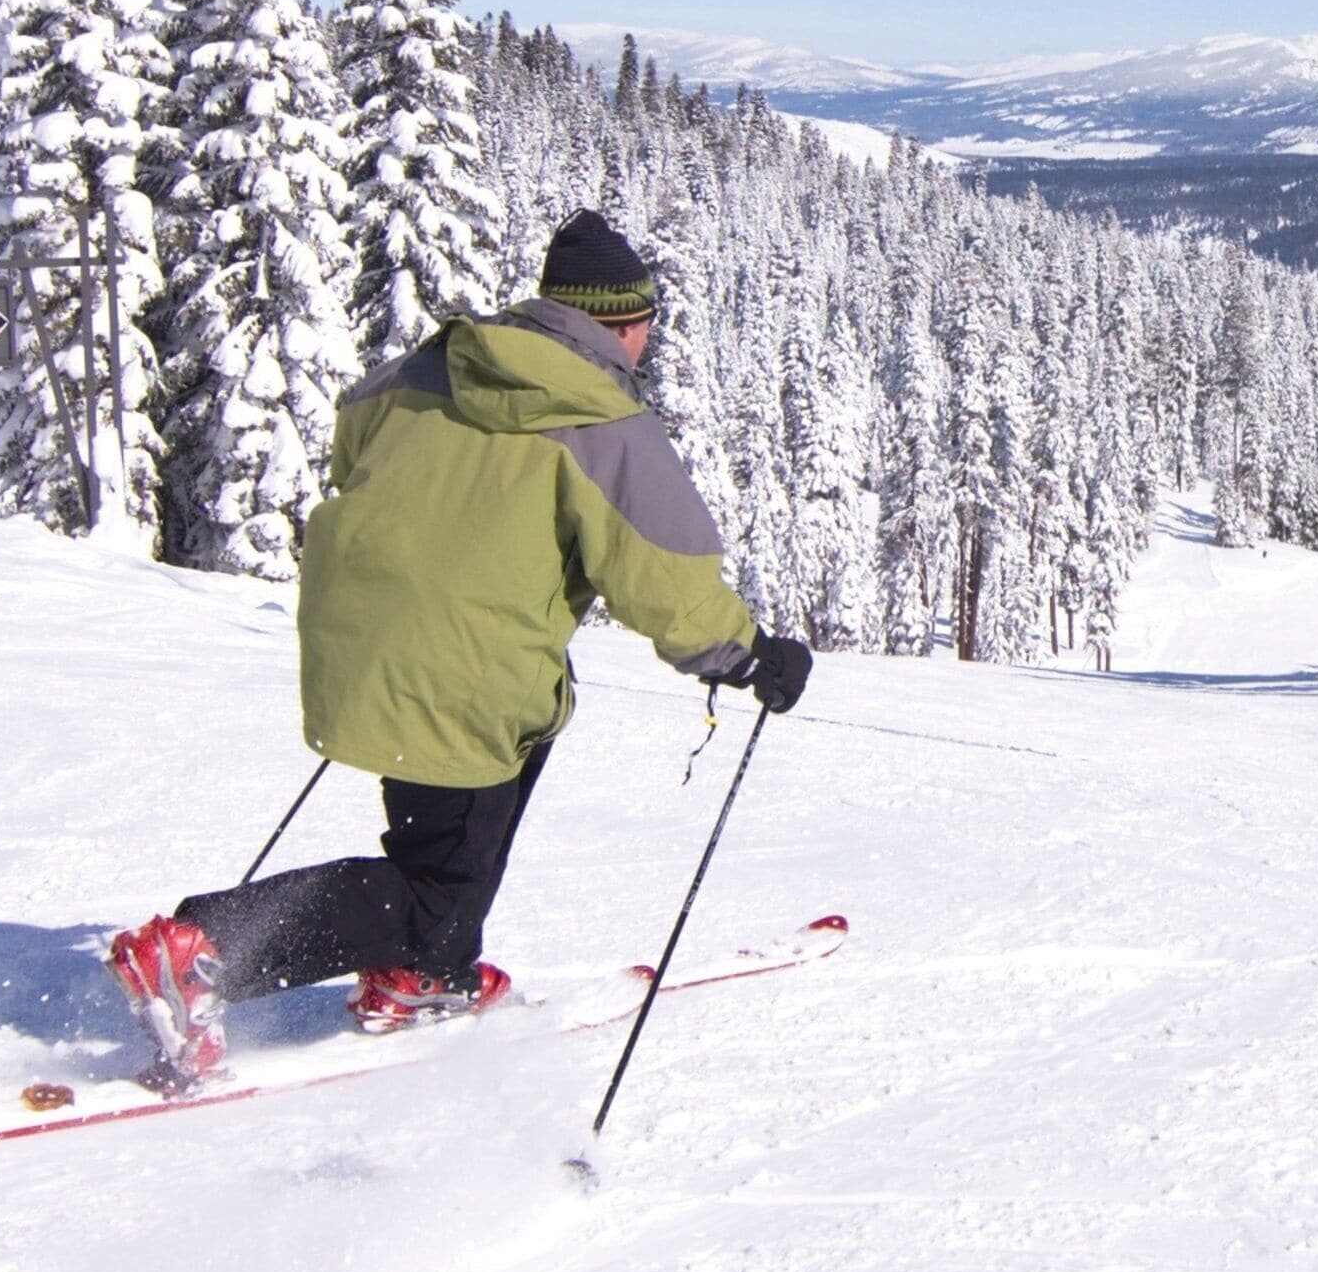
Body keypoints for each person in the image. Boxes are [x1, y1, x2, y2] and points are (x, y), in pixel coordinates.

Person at [105, 210, 815, 1091]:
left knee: (453, 821)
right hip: (466, 670)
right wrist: (748, 656)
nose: (644, 344)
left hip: (365, 640)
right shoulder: (604, 419)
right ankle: (206, 948)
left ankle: (425, 976)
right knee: (435, 891)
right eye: (643, 326)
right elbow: (663, 575)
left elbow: (355, 440)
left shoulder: (428, 368)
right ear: (621, 325)